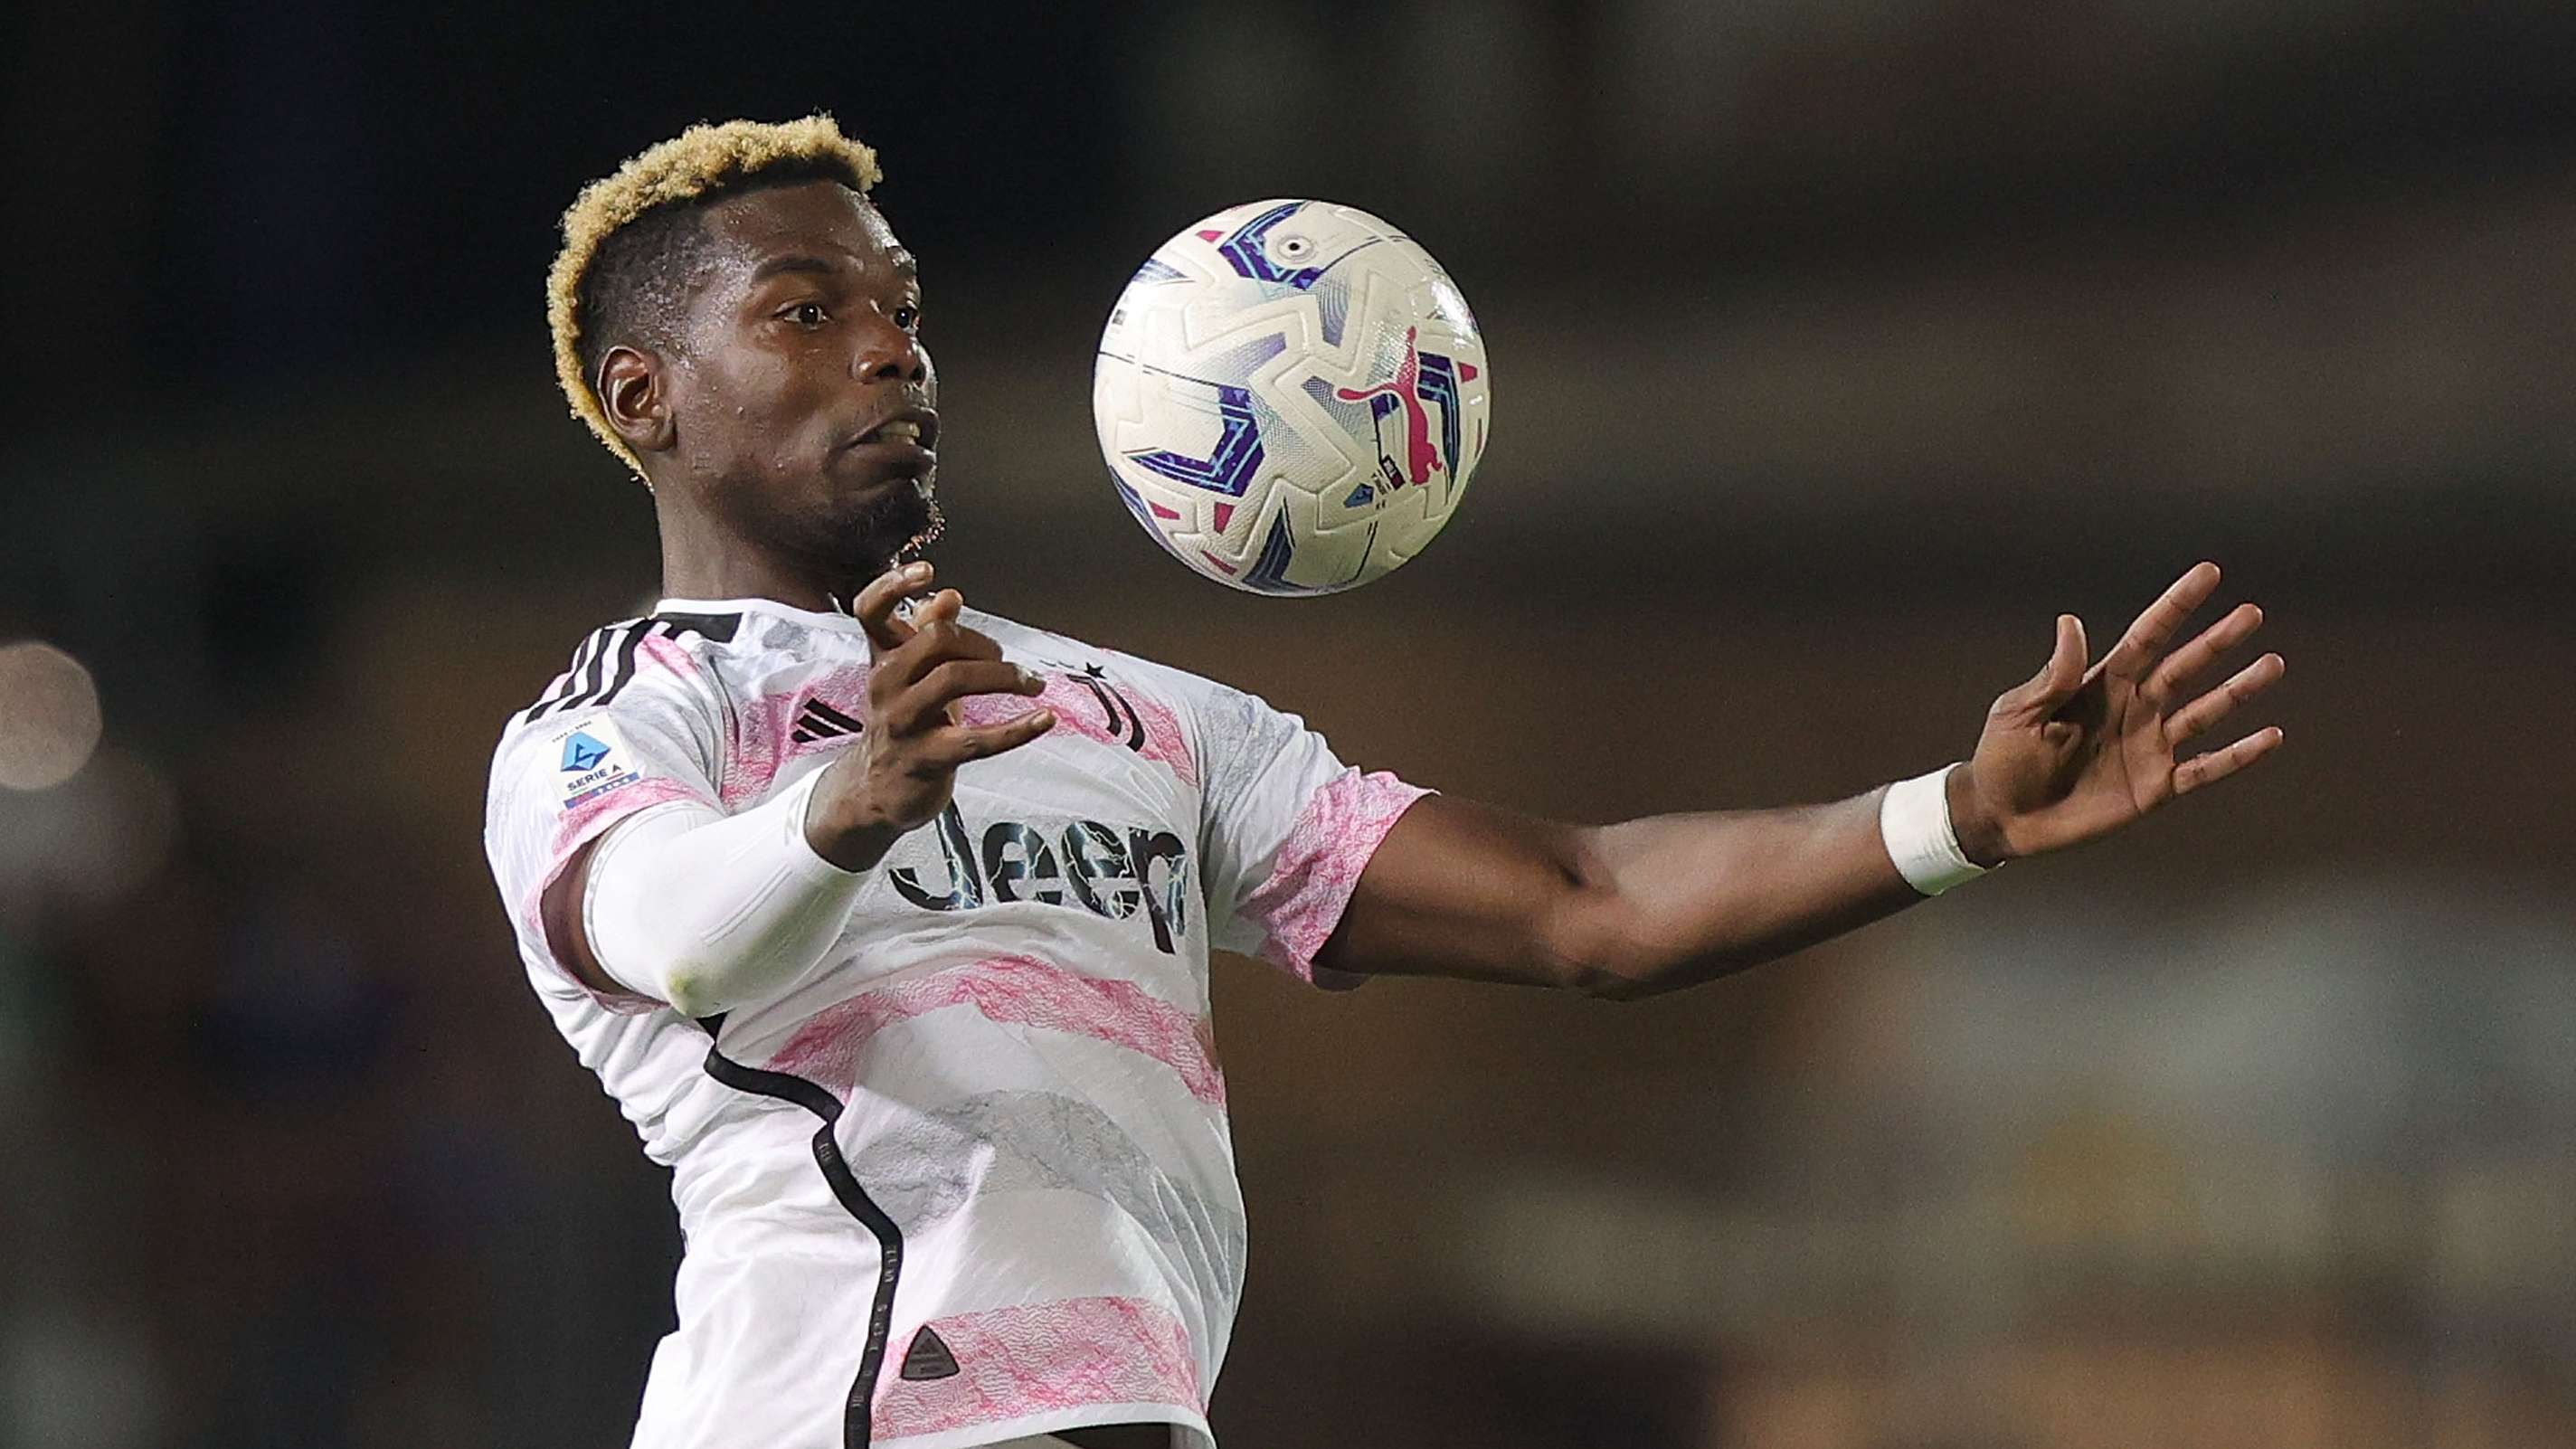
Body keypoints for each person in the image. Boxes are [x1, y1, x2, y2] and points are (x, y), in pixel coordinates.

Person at [482, 116, 2285, 1449]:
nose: (889, 346)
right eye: (806, 312)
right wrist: (841, 808)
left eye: (899, 306)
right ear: (644, 394)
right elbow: (666, 931)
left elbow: (1586, 906)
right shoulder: (619, 727)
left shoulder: (1137, 721)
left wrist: (1952, 820)